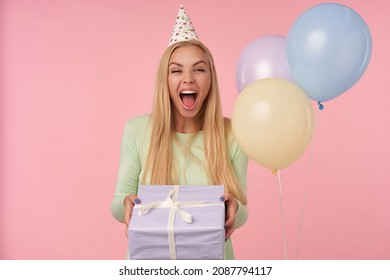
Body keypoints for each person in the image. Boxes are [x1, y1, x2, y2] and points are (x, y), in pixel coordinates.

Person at [111, 5, 248, 260]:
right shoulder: (138, 130)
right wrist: (126, 204)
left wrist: (234, 207)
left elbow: (242, 212)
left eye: (199, 69)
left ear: (211, 78)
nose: (188, 79)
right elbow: (118, 202)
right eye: (176, 70)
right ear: (166, 79)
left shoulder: (232, 134)